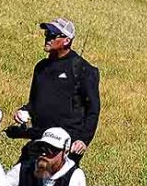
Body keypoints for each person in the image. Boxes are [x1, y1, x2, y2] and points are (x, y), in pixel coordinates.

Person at [14, 18, 101, 164]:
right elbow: (35, 101)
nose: (47, 38)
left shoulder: (82, 69)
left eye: (52, 35)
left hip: (66, 144)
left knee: (56, 184)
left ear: (66, 40)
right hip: (40, 138)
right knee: (21, 179)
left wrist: (83, 140)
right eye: (47, 33)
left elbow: (93, 108)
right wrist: (24, 111)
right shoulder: (41, 67)